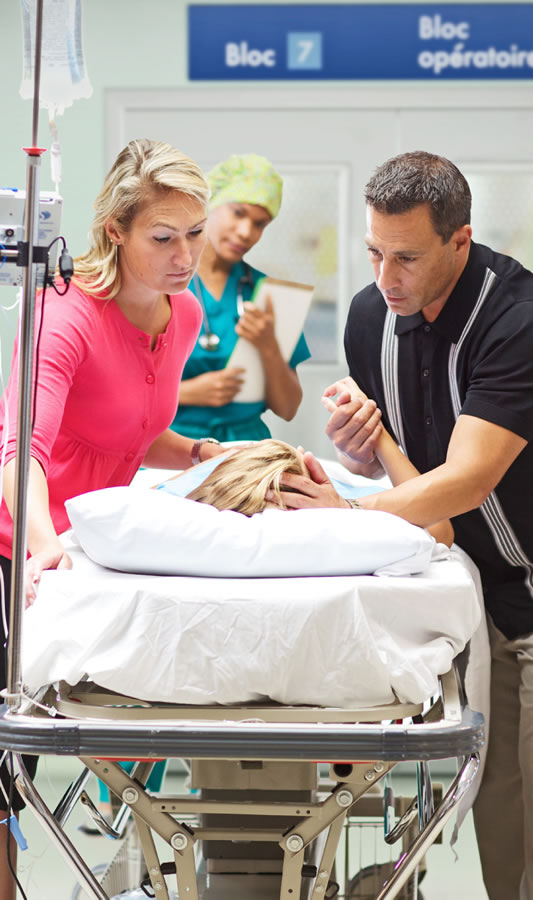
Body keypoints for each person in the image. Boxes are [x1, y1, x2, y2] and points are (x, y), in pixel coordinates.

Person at [272, 151, 533, 900]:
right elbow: (426, 498)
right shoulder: (369, 318)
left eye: (408, 258)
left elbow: (467, 480)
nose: (387, 277)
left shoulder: (526, 322)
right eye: (375, 253)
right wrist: (373, 445)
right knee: (500, 817)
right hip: (470, 591)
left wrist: (347, 513)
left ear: (461, 240)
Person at [0, 137, 227, 900]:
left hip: (86, 552)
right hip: (18, 545)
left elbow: (125, 428)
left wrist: (199, 450)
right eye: (163, 238)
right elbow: (20, 451)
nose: (184, 255)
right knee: (7, 766)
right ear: (115, 234)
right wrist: (44, 549)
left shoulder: (183, 314)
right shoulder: (63, 316)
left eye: (195, 233)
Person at [171, 153, 310, 442]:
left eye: (260, 224)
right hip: (170, 449)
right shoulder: (163, 284)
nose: (247, 232)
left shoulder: (268, 294)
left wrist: (269, 347)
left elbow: (288, 408)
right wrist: (186, 393)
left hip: (247, 453)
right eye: (238, 213)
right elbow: (113, 390)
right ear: (209, 204)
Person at [187, 432, 454, 546]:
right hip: (238, 467)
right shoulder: (196, 499)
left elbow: (439, 527)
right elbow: (439, 529)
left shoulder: (342, 500)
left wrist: (380, 436)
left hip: (240, 464)